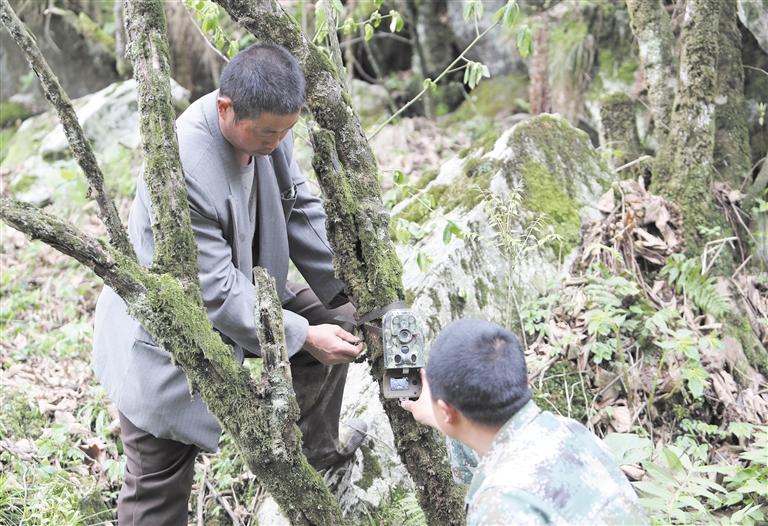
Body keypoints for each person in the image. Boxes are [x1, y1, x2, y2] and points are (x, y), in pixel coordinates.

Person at [93, 43, 366, 525]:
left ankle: (312, 458)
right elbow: (215, 289)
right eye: (266, 133)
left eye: (286, 132)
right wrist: (302, 335)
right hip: (165, 342)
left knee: (340, 325)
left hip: (252, 289)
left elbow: (299, 208)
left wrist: (349, 289)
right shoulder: (181, 169)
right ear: (225, 108)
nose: (277, 143)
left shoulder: (269, 131)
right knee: (157, 484)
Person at [401, 319, 647, 525]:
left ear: (447, 410)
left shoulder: (500, 505)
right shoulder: (570, 431)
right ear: (523, 379)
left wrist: (447, 416)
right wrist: (441, 417)